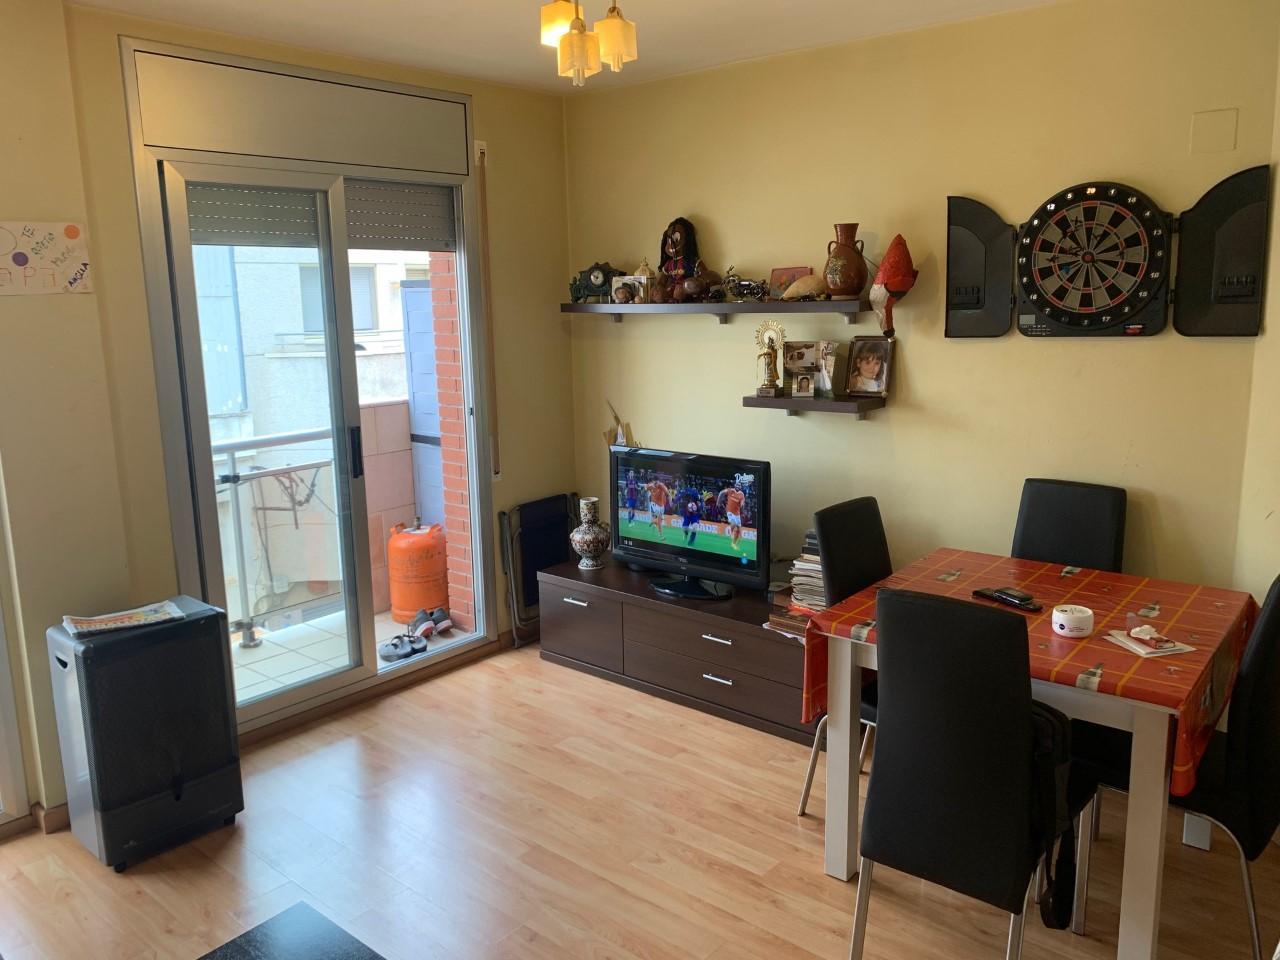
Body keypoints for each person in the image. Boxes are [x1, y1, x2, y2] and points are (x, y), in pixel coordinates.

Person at [718, 482, 747, 551]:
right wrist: (718, 501)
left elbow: (742, 503)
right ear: (735, 485)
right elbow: (721, 492)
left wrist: (742, 506)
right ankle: (731, 533)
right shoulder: (730, 490)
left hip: (737, 514)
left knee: (738, 530)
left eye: (739, 485)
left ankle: (733, 544)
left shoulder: (741, 494)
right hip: (729, 511)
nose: (738, 486)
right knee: (733, 523)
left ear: (740, 487)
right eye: (737, 485)